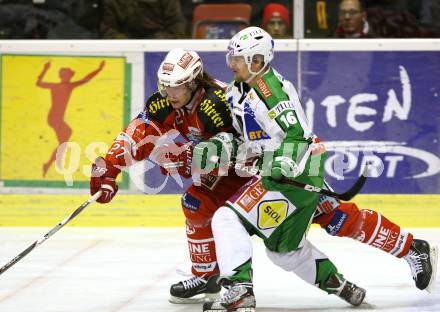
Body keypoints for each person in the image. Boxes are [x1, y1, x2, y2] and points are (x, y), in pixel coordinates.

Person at [195, 26, 438, 311]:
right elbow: (246, 136)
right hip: (295, 169)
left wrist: (282, 163)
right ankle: (404, 253)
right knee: (317, 232)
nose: (231, 64)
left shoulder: (269, 91)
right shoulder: (239, 89)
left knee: (226, 218)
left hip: (293, 172)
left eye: (238, 59)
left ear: (257, 61)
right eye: (231, 58)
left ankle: (239, 291)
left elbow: (296, 134)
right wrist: (221, 147)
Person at [89, 48, 251, 303]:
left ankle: (239, 285)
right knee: (195, 202)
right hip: (225, 173)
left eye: (178, 86)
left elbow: (233, 150)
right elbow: (140, 132)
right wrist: (110, 167)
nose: (170, 93)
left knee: (291, 242)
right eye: (166, 85)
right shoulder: (164, 101)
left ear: (194, 81)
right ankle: (208, 277)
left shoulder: (216, 104)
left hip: (254, 172)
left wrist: (188, 157)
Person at [100, 0, 186, 39]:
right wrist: (127, 44)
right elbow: (108, 29)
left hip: (161, 47)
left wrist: (153, 43)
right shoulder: (112, 2)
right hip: (125, 48)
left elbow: (177, 28)